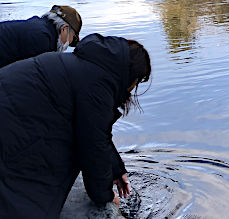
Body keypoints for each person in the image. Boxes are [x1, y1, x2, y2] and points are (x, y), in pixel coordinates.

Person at [0, 33, 151, 218]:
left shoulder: (89, 68)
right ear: (131, 76)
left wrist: (116, 170)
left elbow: (95, 132)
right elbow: (92, 145)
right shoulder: (97, 85)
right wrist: (106, 196)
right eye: (137, 82)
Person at [0, 5, 82, 68]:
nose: (68, 45)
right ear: (64, 29)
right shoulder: (43, 39)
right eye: (73, 38)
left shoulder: (40, 27)